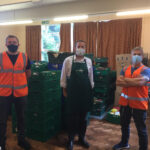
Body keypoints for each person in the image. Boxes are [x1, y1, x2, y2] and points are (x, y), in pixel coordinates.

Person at [113, 47, 150, 150]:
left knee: (141, 130)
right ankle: (124, 143)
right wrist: (134, 81)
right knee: (124, 125)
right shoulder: (125, 69)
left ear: (142, 57)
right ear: (131, 56)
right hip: (125, 104)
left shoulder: (147, 70)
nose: (136, 56)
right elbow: (118, 82)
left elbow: (141, 82)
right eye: (134, 54)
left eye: (138, 54)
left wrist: (126, 80)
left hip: (139, 105)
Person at [60, 40, 94, 150]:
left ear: (85, 49)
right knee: (72, 118)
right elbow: (63, 76)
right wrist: (64, 90)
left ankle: (81, 138)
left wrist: (91, 89)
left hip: (85, 93)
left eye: (82, 46)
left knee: (83, 118)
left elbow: (90, 77)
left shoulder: (88, 61)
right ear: (75, 48)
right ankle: (70, 139)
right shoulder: (68, 60)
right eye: (78, 46)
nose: (80, 48)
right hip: (72, 93)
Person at [0, 35, 31, 150]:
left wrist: (21, 82)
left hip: (20, 93)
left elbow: (28, 72)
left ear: (18, 44)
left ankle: (22, 140)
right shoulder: (0, 57)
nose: (12, 44)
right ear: (6, 44)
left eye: (14, 42)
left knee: (21, 118)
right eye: (9, 42)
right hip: (3, 94)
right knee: (2, 121)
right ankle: (1, 144)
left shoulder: (24, 56)